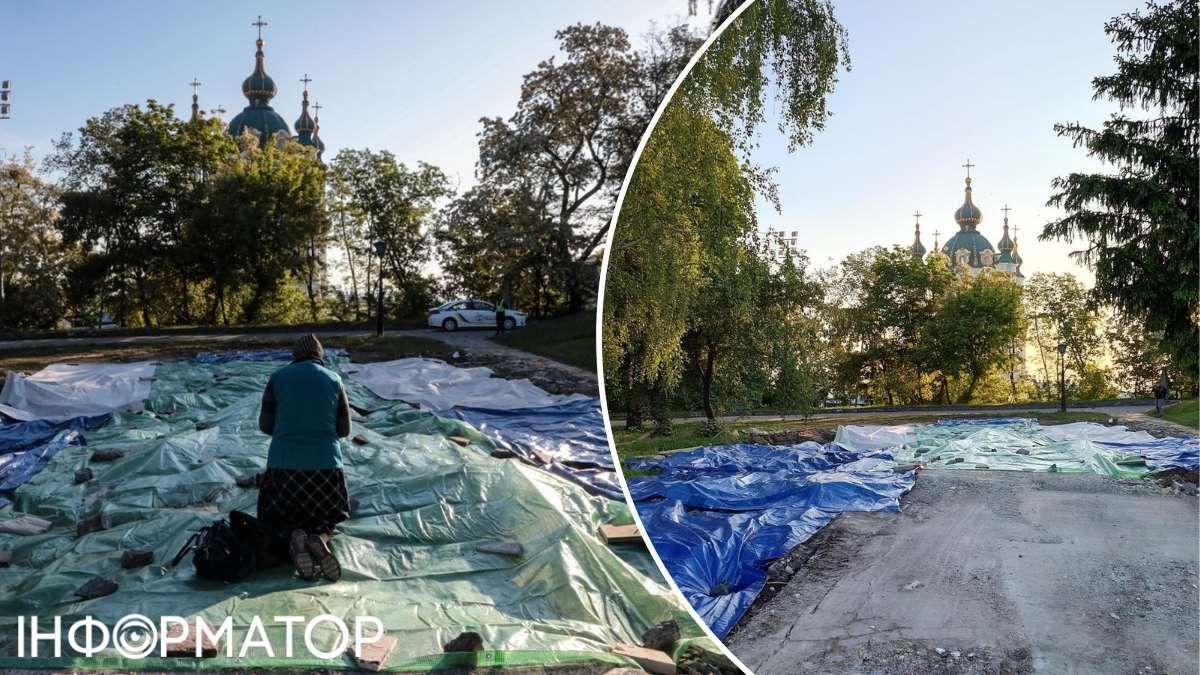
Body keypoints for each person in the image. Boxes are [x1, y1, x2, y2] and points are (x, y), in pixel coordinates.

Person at [257, 334, 351, 581]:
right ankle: (320, 537)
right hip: (326, 470)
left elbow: (265, 426)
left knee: (277, 518)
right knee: (330, 516)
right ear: (320, 356)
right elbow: (344, 430)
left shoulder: (278, 378)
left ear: (295, 355)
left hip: (283, 471)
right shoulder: (334, 379)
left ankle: (295, 536)